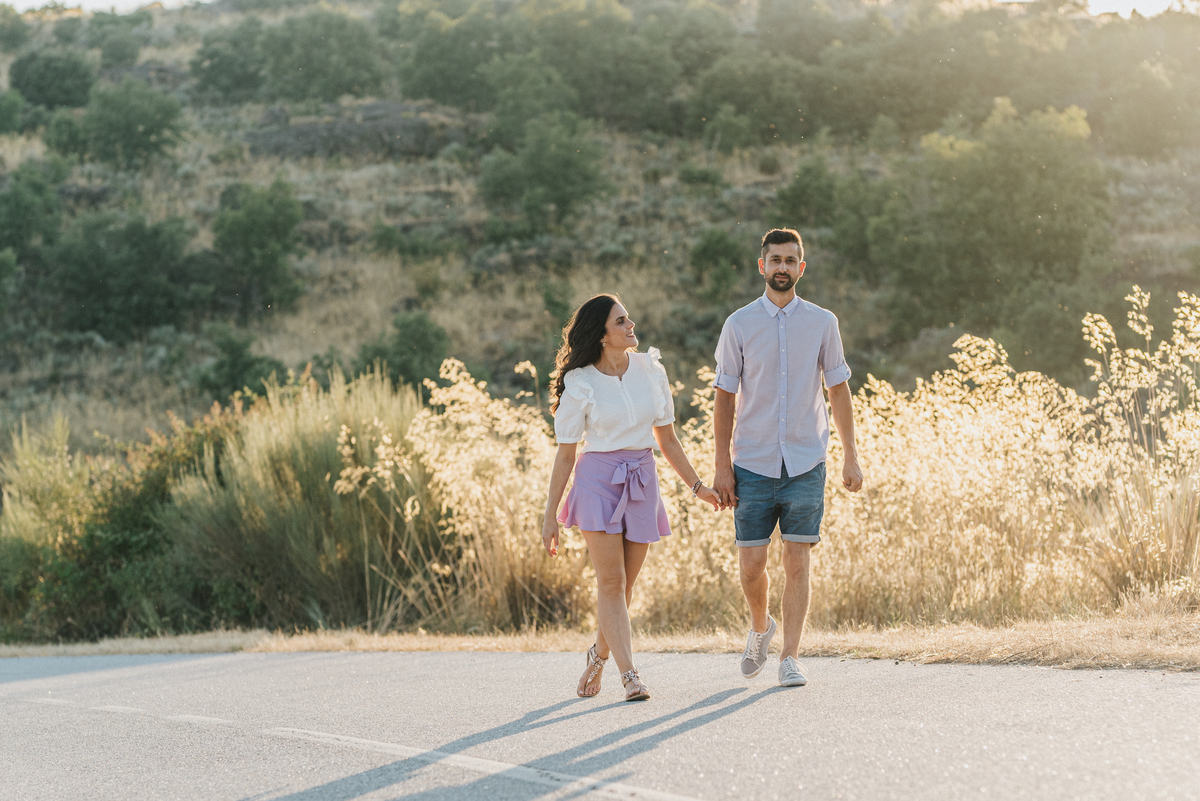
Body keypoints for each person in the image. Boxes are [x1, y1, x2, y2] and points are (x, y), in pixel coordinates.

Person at [542, 294, 720, 702]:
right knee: (611, 581)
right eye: (621, 321)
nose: (630, 325)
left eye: (628, 318)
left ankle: (598, 656)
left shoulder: (650, 370)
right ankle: (630, 676)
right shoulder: (581, 383)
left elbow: (668, 438)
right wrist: (550, 514)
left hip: (641, 478)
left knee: (624, 589)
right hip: (596, 481)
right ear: (602, 335)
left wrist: (698, 488)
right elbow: (567, 452)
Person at [712, 228, 863, 688]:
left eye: (790, 260)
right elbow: (723, 397)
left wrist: (850, 457)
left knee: (798, 561)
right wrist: (721, 464)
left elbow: (838, 389)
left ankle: (790, 657)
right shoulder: (738, 324)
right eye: (774, 259)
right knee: (751, 566)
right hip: (752, 463)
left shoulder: (823, 322)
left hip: (805, 461)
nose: (782, 267)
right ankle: (761, 626)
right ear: (762, 266)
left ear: (802, 266)